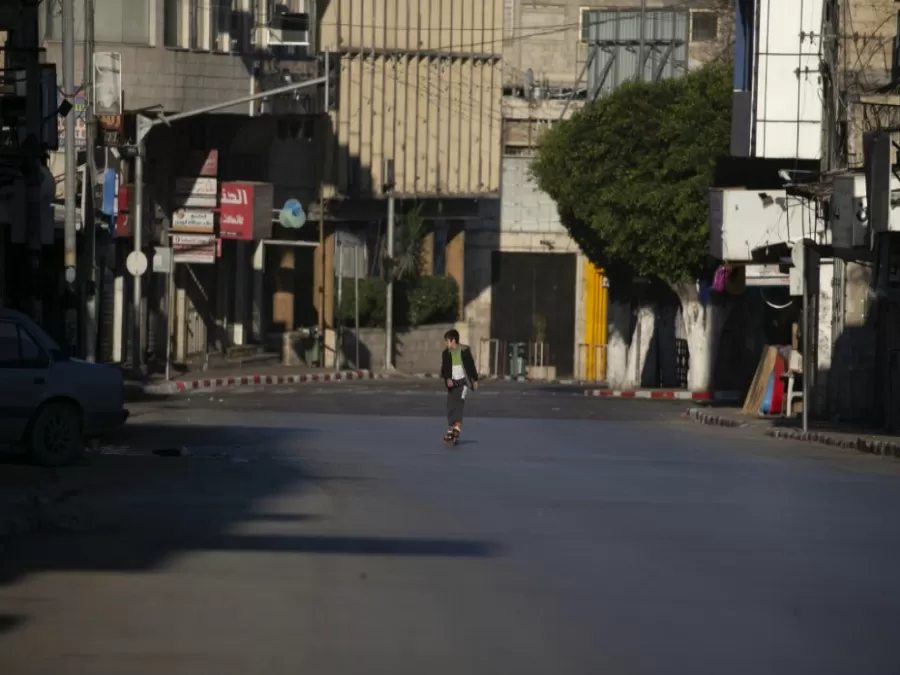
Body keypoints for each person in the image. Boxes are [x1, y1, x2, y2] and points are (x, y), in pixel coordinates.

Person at [440, 329, 479, 443]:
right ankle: (451, 429)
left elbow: (471, 366)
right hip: (452, 384)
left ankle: (457, 427)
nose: (445, 343)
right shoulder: (446, 353)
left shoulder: (464, 351)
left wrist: (475, 379)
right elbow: (444, 369)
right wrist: (447, 379)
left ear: (453, 341)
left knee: (459, 405)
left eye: (447, 341)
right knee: (450, 406)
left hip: (464, 383)